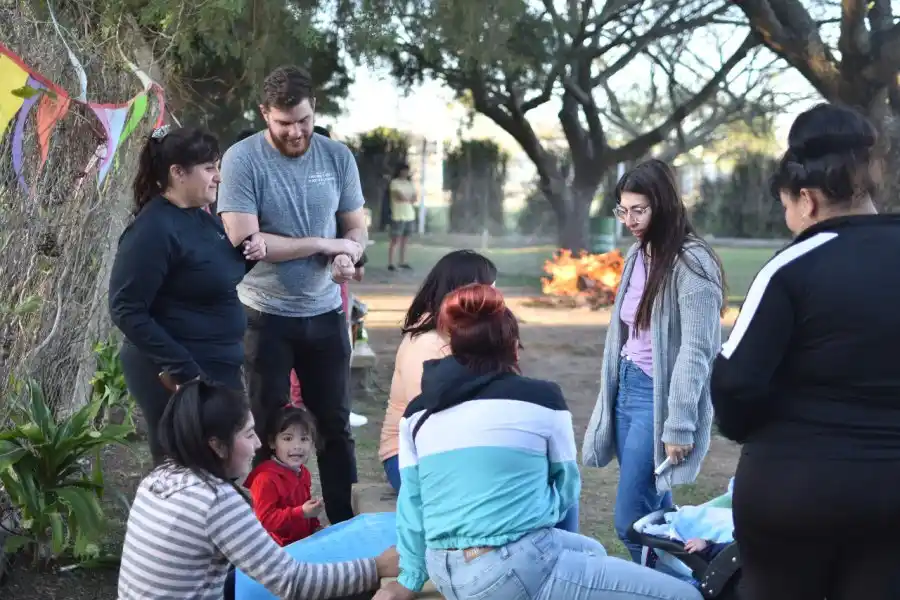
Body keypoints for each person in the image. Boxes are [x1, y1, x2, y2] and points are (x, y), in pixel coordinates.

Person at [373, 284, 703, 600]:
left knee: (592, 549)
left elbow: (412, 506)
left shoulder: (417, 414)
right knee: (686, 595)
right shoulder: (542, 399)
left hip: (445, 570)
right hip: (511, 570)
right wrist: (527, 511)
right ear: (511, 342)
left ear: (451, 343)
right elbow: (566, 489)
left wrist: (410, 579)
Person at [710, 103, 900, 600]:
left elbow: (733, 383)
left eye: (787, 208)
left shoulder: (793, 266)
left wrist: (753, 428)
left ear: (807, 200)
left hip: (797, 488)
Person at [218, 65, 367, 524]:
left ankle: (345, 526)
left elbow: (355, 227)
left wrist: (348, 255)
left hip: (326, 313)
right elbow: (245, 239)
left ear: (314, 108)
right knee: (266, 425)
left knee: (335, 426)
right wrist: (324, 244)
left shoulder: (337, 156)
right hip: (264, 315)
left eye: (303, 120)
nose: (296, 131)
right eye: (284, 123)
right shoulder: (242, 159)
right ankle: (267, 529)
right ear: (264, 113)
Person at [117, 380, 398, 599]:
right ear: (217, 445)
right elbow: (290, 580)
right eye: (249, 434)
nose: (258, 445)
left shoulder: (158, 478)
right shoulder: (215, 500)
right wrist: (376, 567)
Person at [581, 158, 726, 563]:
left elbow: (698, 349)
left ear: (663, 206)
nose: (629, 220)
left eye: (639, 210)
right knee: (657, 513)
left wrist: (678, 423)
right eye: (623, 210)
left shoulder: (693, 262)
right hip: (626, 388)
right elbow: (625, 332)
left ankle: (672, 587)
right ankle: (690, 583)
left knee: (631, 522)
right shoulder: (637, 254)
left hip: (655, 397)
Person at [108, 126, 266, 465]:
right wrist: (183, 369)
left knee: (223, 467)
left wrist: (249, 255)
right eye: (209, 168)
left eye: (217, 166)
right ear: (178, 173)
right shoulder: (152, 230)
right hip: (179, 375)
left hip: (216, 366)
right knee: (187, 469)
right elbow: (126, 308)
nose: (218, 177)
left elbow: (209, 277)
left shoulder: (200, 219)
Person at [379, 249, 497, 490]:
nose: (495, 297)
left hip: (458, 449)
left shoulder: (468, 334)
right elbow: (427, 417)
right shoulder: (427, 342)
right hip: (410, 456)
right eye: (488, 289)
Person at [245, 405, 323, 546]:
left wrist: (315, 527)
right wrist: (301, 512)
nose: (297, 446)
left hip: (302, 543)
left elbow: (305, 507)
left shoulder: (303, 473)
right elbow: (265, 521)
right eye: (288, 438)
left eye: (304, 439)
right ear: (272, 442)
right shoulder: (265, 479)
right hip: (277, 550)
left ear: (312, 443)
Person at [387, 163, 416, 271]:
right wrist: (407, 198)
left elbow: (414, 198)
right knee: (395, 240)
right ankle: (391, 263)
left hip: (409, 215)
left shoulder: (409, 183)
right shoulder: (394, 183)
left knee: (405, 240)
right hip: (398, 215)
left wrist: (407, 198)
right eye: (403, 170)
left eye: (407, 170)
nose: (405, 173)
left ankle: (402, 261)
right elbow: (399, 196)